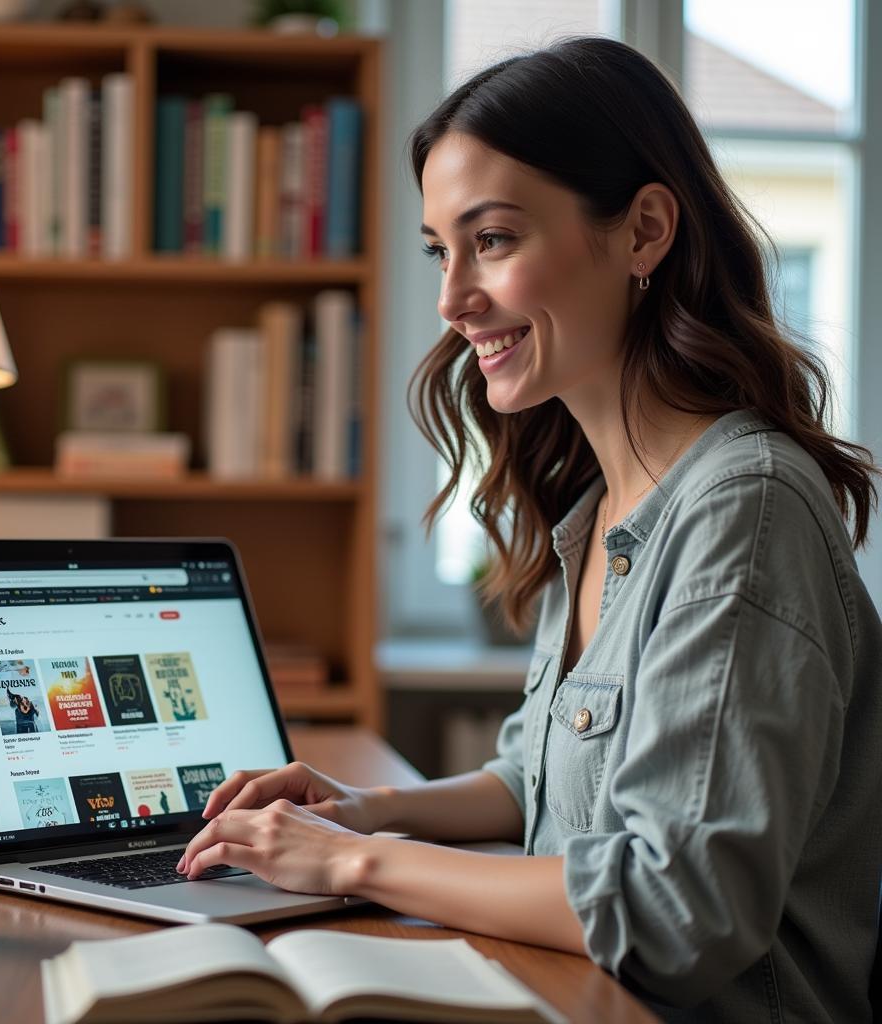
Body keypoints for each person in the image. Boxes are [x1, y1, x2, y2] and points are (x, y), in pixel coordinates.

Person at [178, 36, 882, 1021]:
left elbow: (673, 908)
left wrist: (351, 858)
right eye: (439, 248)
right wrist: (361, 805)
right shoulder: (598, 504)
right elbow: (537, 777)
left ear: (642, 231)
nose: (451, 298)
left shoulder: (743, 507)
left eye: (492, 240)